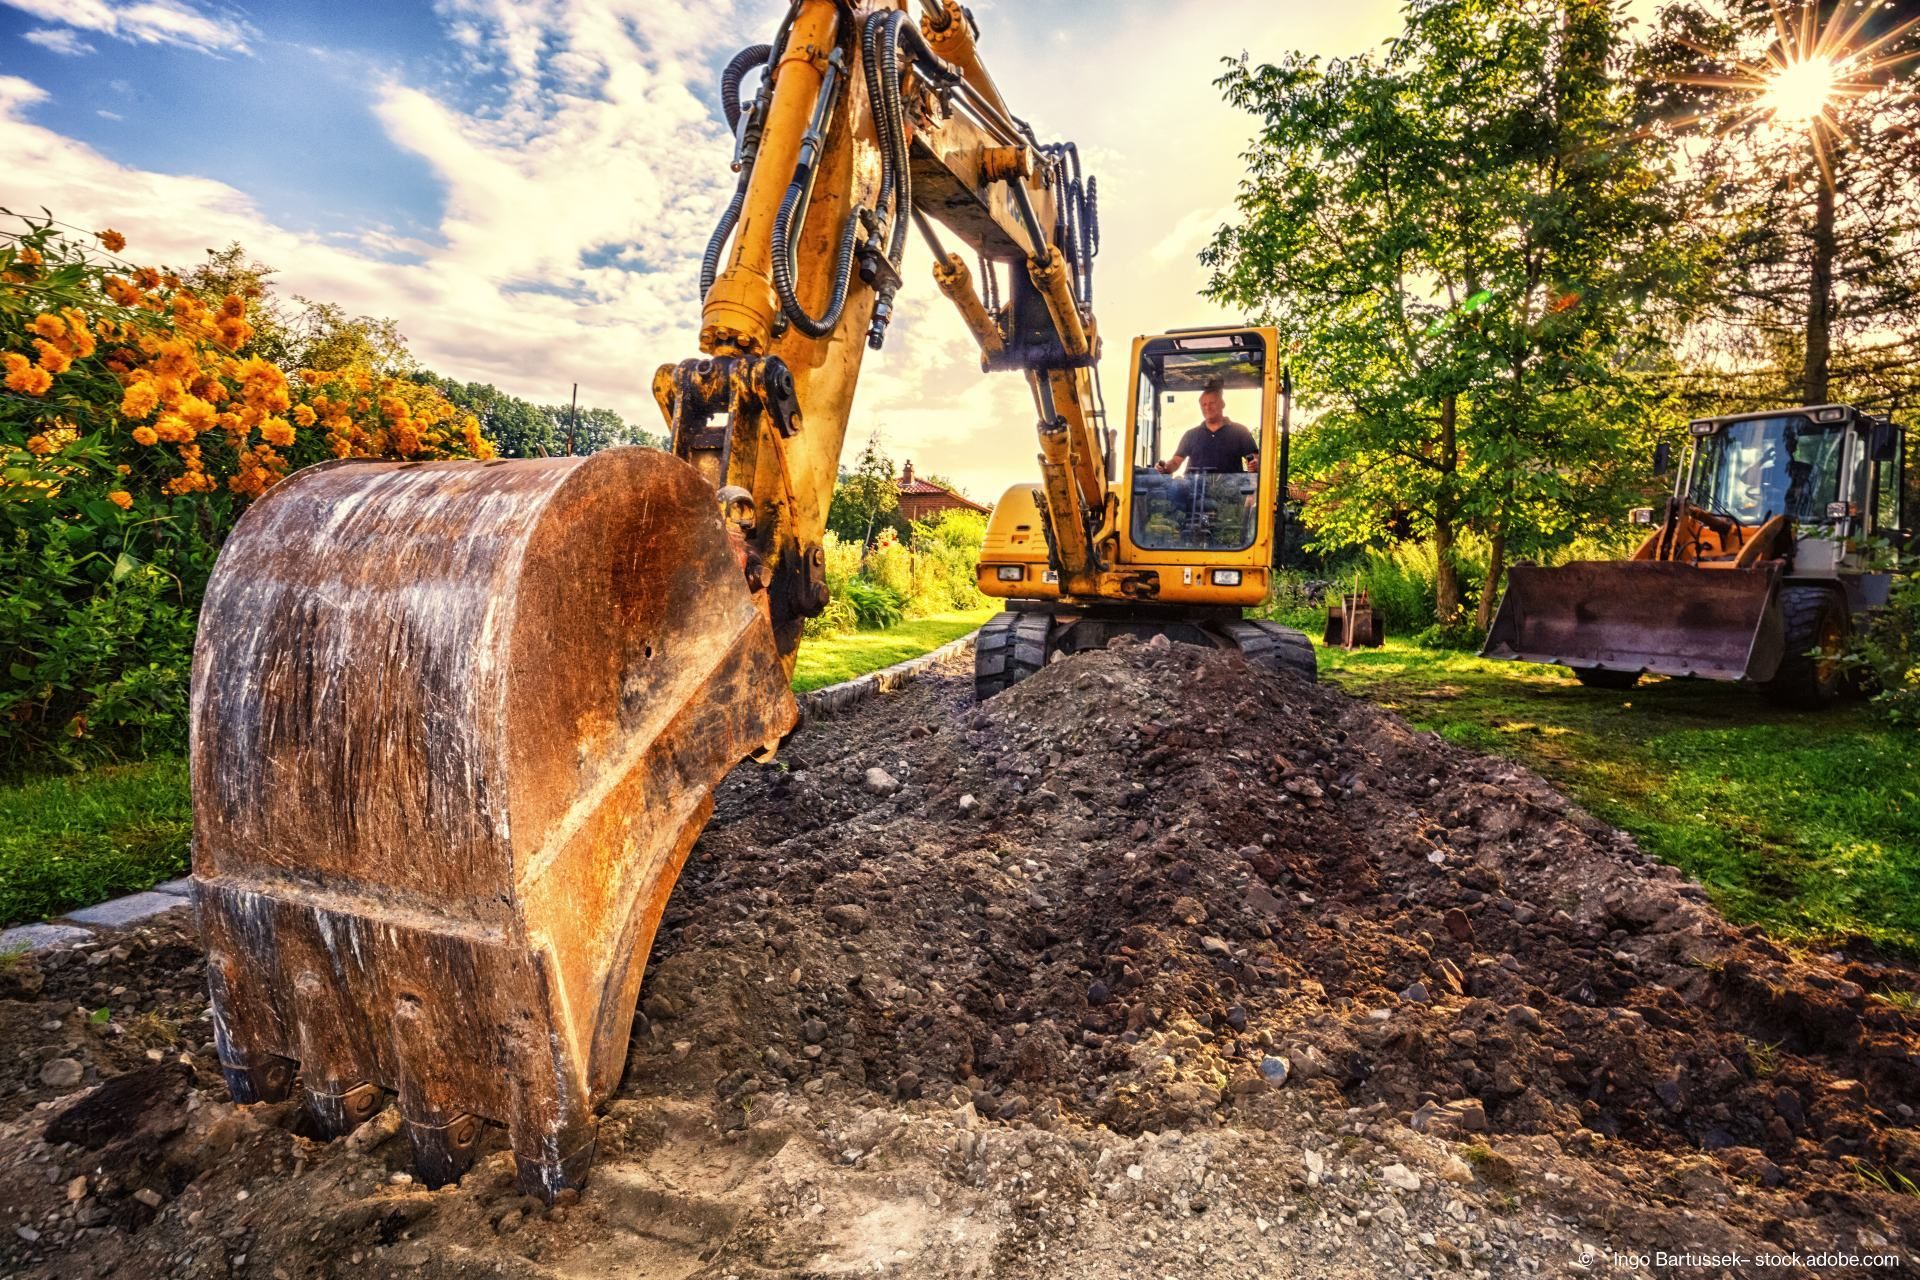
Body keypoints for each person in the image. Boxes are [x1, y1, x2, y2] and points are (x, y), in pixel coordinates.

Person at [1156, 383, 1259, 475]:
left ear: (1222, 404)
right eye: (1204, 405)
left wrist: (1255, 464)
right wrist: (1165, 467)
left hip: (1229, 493)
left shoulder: (1240, 432)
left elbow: (1255, 459)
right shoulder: (1191, 435)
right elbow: (1175, 462)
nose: (1207, 408)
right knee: (1176, 488)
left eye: (1212, 403)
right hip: (1195, 492)